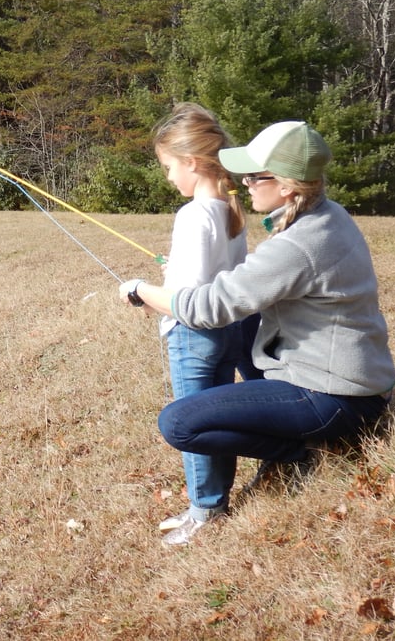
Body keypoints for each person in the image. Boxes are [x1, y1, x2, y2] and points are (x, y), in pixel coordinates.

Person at [119, 120, 395, 546]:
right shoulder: (327, 215)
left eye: (254, 176)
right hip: (356, 385)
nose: (243, 184)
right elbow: (248, 290)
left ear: (285, 186)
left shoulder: (298, 244)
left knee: (179, 423)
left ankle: (302, 453)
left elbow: (205, 308)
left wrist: (140, 290)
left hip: (335, 397)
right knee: (246, 323)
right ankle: (304, 440)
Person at [142, 102, 254, 547]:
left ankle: (203, 510)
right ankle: (214, 501)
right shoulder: (229, 210)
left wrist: (138, 291)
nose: (169, 177)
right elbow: (216, 276)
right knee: (215, 416)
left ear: (191, 162)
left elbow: (184, 302)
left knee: (193, 423)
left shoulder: (193, 214)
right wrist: (178, 266)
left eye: (170, 167)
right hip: (228, 331)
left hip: (193, 337)